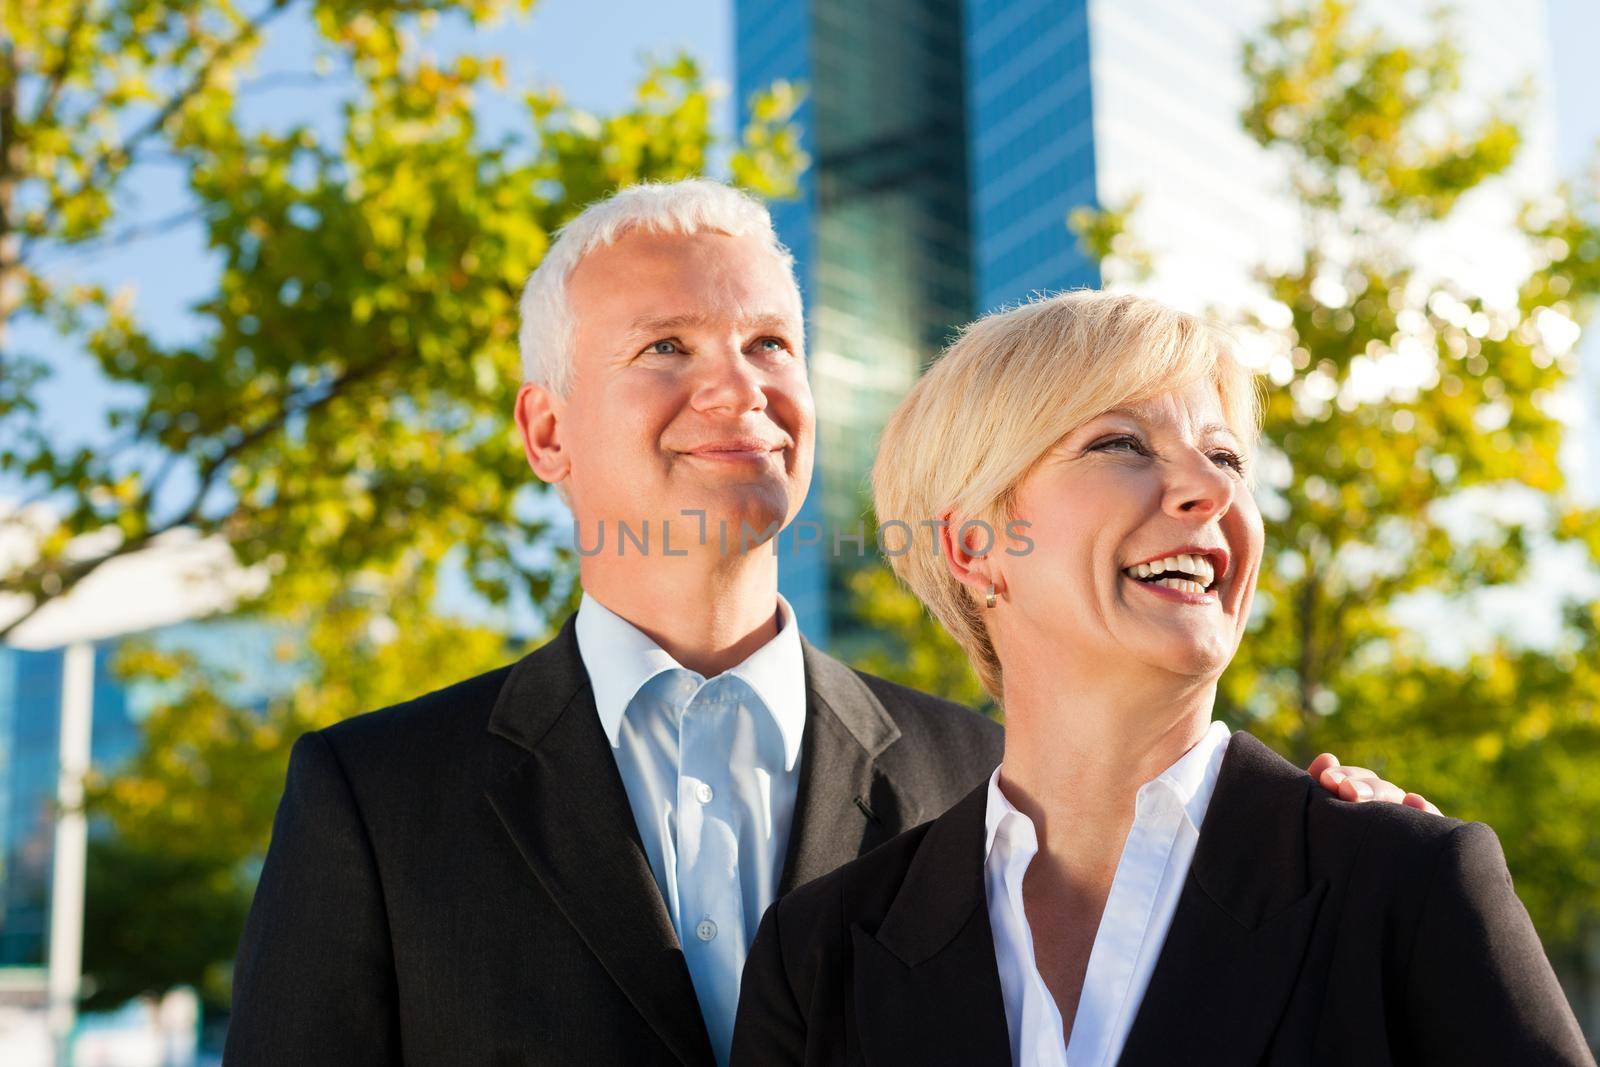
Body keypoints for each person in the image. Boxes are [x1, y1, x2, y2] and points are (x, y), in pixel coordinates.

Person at [224, 184, 1431, 1067]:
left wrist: (1356, 866)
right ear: (546, 432)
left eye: (769, 344)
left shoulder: (993, 777)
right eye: (666, 347)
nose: (737, 387)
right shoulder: (375, 797)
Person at [730, 290, 1593, 1066]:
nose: (1206, 491)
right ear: (975, 547)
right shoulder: (820, 956)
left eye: (1226, 458)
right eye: (1121, 443)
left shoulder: (1407, 882)